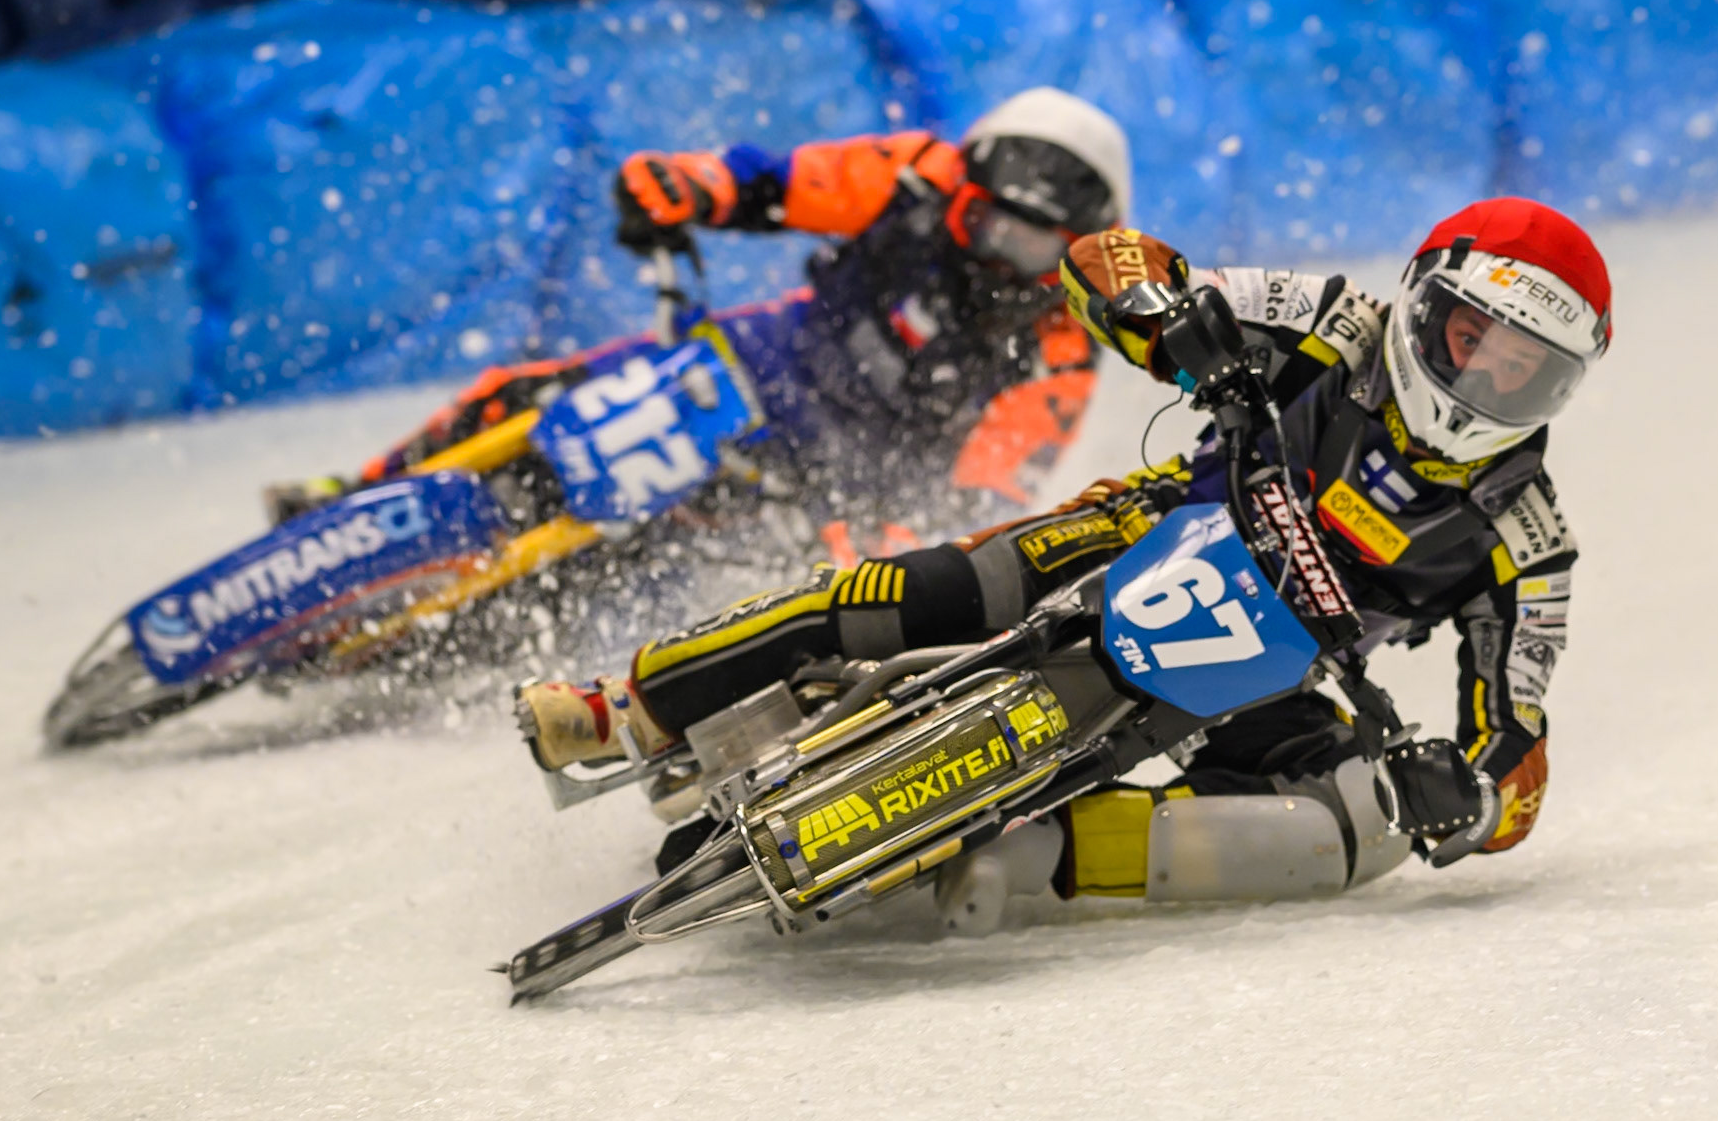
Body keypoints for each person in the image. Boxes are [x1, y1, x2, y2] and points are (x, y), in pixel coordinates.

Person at [519, 197, 1609, 932]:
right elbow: (1114, 259)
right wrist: (1168, 318)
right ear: (1424, 305)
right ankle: (626, 708)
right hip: (1151, 528)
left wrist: (1461, 802)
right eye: (1473, 341)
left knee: (1349, 829)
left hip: (1279, 671)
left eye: (1526, 372)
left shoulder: (1531, 539)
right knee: (913, 594)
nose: (1484, 384)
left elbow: (1515, 751)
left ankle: (1036, 862)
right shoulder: (1337, 321)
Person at [266, 87, 1134, 563]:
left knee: (712, 564)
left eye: (1030, 245)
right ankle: (354, 500)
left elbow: (984, 497)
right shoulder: (916, 172)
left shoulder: (1062, 349)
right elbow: (778, 183)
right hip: (773, 354)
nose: (999, 255)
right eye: (990, 222)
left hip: (862, 475)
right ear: (964, 191)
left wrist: (908, 539)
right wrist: (688, 184)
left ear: (1074, 251)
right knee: (523, 394)